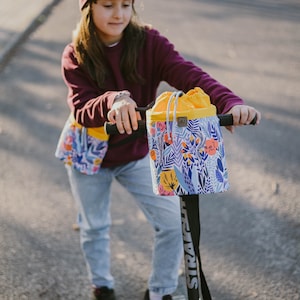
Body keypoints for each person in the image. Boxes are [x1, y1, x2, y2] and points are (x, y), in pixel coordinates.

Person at [55, 0, 261, 300]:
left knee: (172, 224)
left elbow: (191, 76)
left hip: (136, 148)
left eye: (126, 4)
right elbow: (82, 107)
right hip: (88, 151)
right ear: (88, 7)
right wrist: (113, 100)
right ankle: (101, 285)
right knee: (94, 225)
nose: (119, 13)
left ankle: (160, 291)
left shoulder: (149, 43)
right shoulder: (76, 53)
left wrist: (229, 102)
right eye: (108, 5)